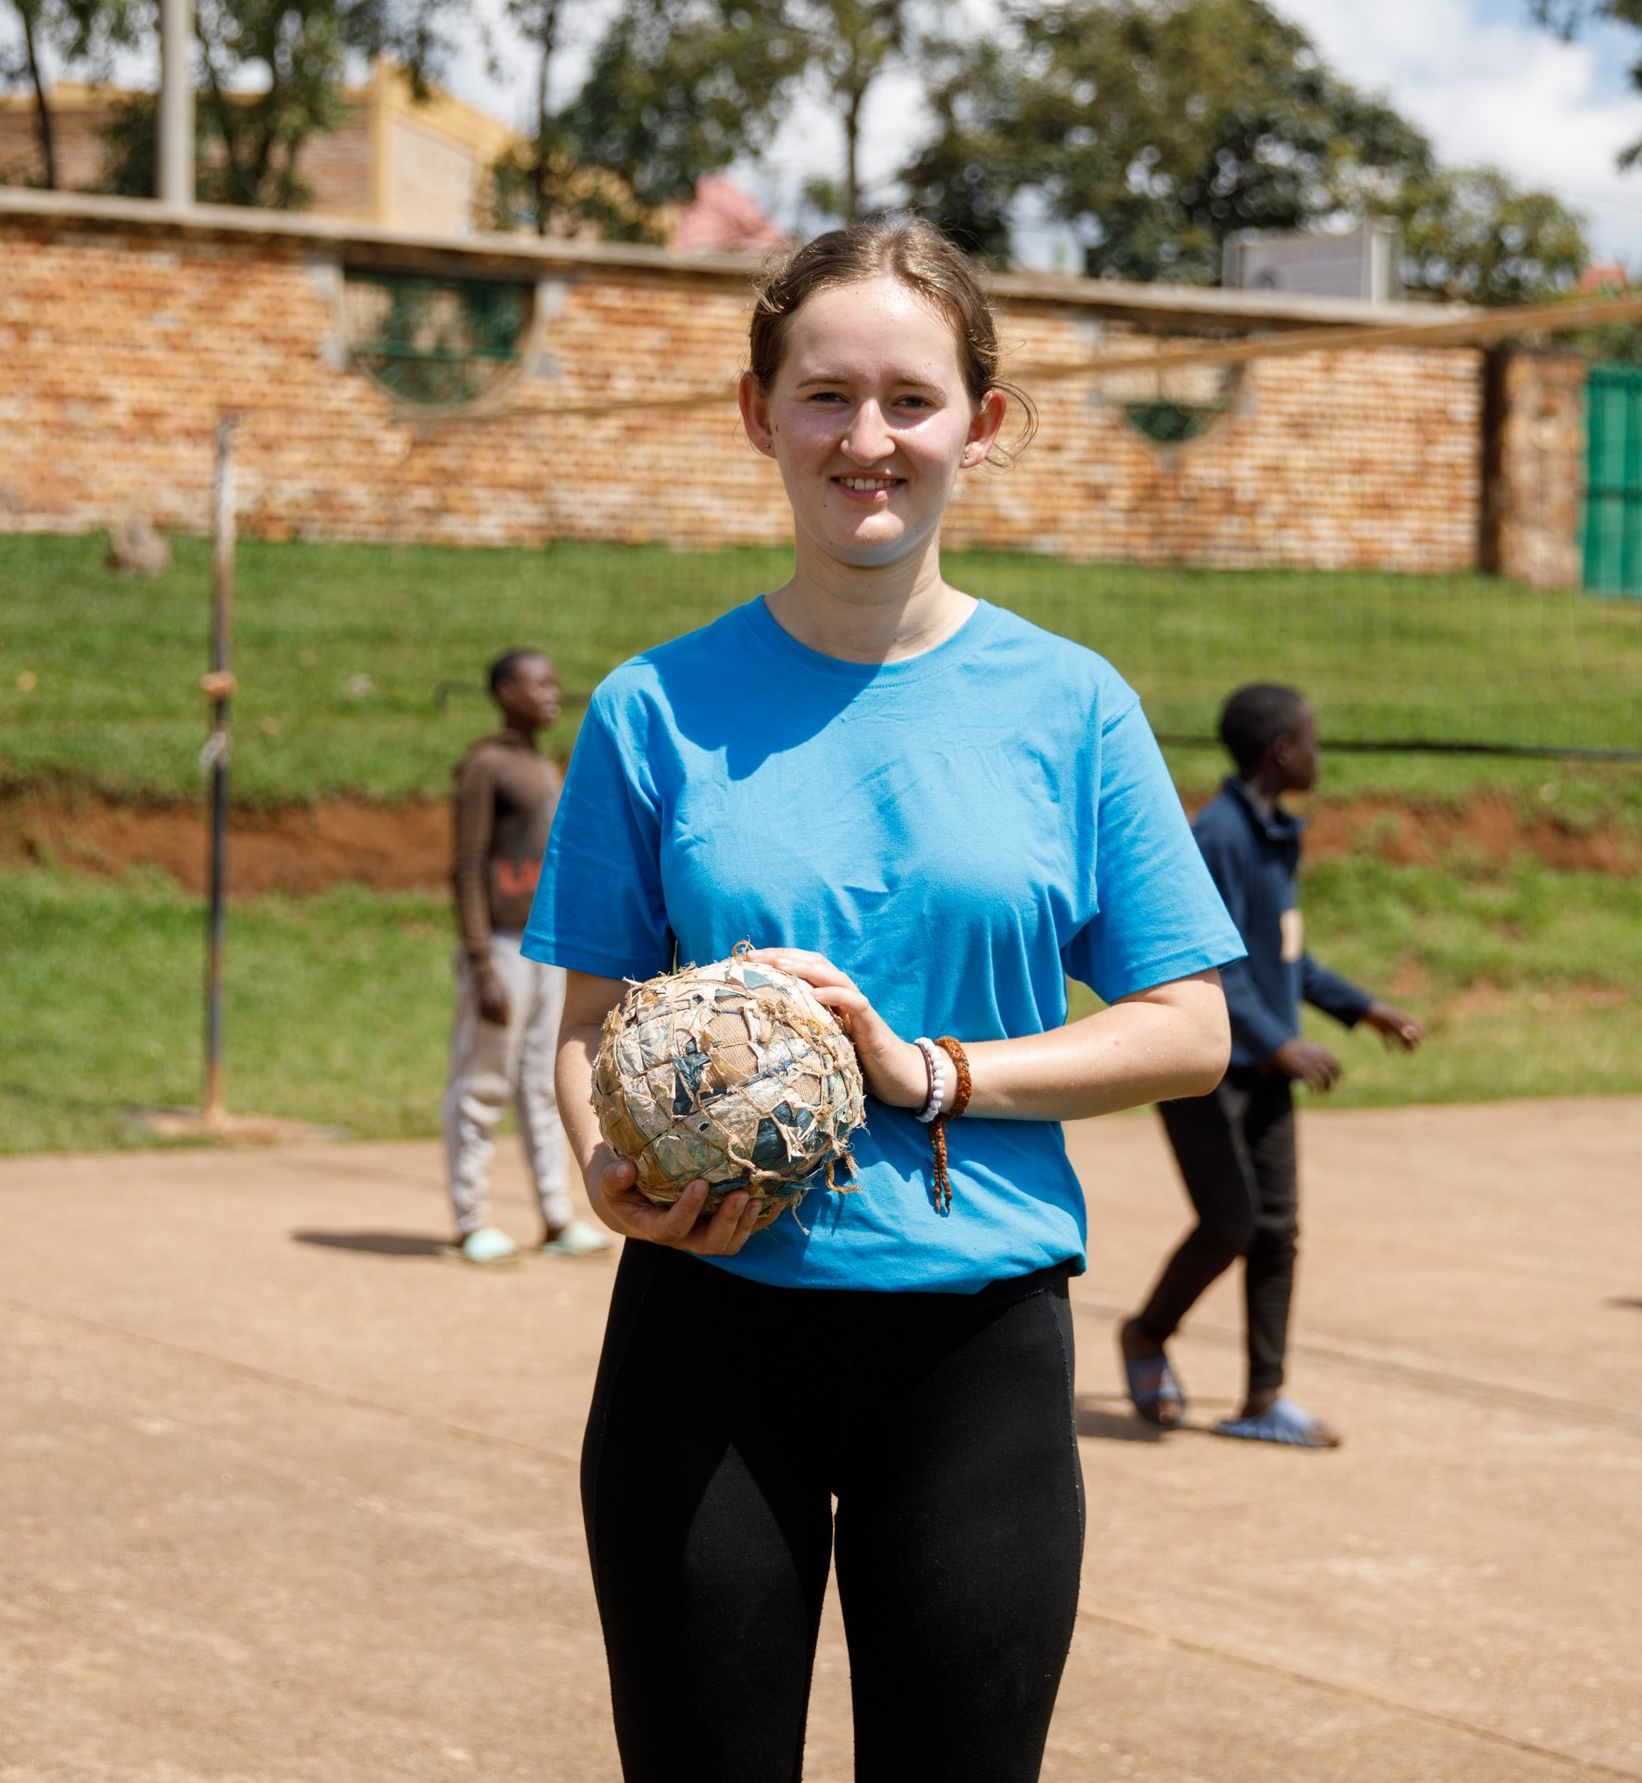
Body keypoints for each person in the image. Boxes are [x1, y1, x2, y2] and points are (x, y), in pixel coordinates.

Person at [522, 218, 1245, 1782]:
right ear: (757, 413)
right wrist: (607, 1172)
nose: (869, 437)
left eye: (912, 399)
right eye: (826, 395)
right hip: (705, 1333)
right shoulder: (652, 708)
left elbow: (1192, 1030)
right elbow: (585, 1025)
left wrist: (927, 1071)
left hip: (974, 1346)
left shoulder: (1074, 705)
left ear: (982, 425)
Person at [1119, 684, 1426, 1449]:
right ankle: (1147, 1332)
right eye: (1311, 740)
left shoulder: (1273, 835)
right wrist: (1276, 1039)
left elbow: (1285, 956)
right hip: (1204, 1068)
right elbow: (1209, 961)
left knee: (1278, 1230)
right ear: (1281, 750)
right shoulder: (1217, 837)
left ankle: (1264, 1398)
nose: (1319, 753)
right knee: (1231, 1220)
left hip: (1265, 1073)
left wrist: (1363, 1008)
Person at [442, 648, 610, 1264]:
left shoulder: (540, 764)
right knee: (481, 1082)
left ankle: (557, 1217)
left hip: (544, 949)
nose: (552, 692)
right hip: (501, 949)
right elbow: (467, 865)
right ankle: (471, 1221)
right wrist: (481, 962)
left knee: (544, 1083)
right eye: (538, 683)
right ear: (504, 692)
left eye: (554, 682)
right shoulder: (486, 765)